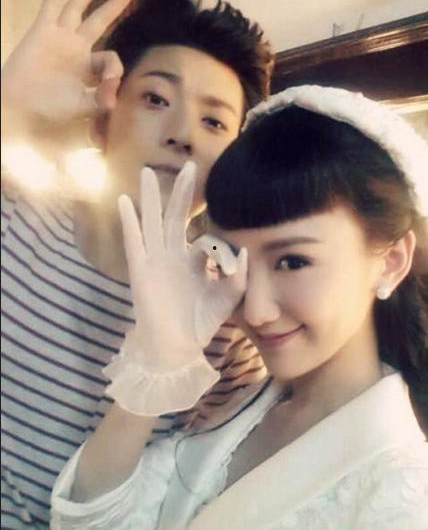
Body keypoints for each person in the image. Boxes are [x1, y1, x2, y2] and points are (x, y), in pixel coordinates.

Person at [50, 85, 428, 529]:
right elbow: (90, 520)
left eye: (292, 261)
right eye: (233, 261)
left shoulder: (403, 492)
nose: (256, 311)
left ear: (391, 261)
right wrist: (156, 361)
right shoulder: (241, 407)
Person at [1, 0, 274, 526]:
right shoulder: (16, 215)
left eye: (214, 121)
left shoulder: (225, 328)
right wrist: (7, 109)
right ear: (102, 120)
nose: (182, 134)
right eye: (155, 98)